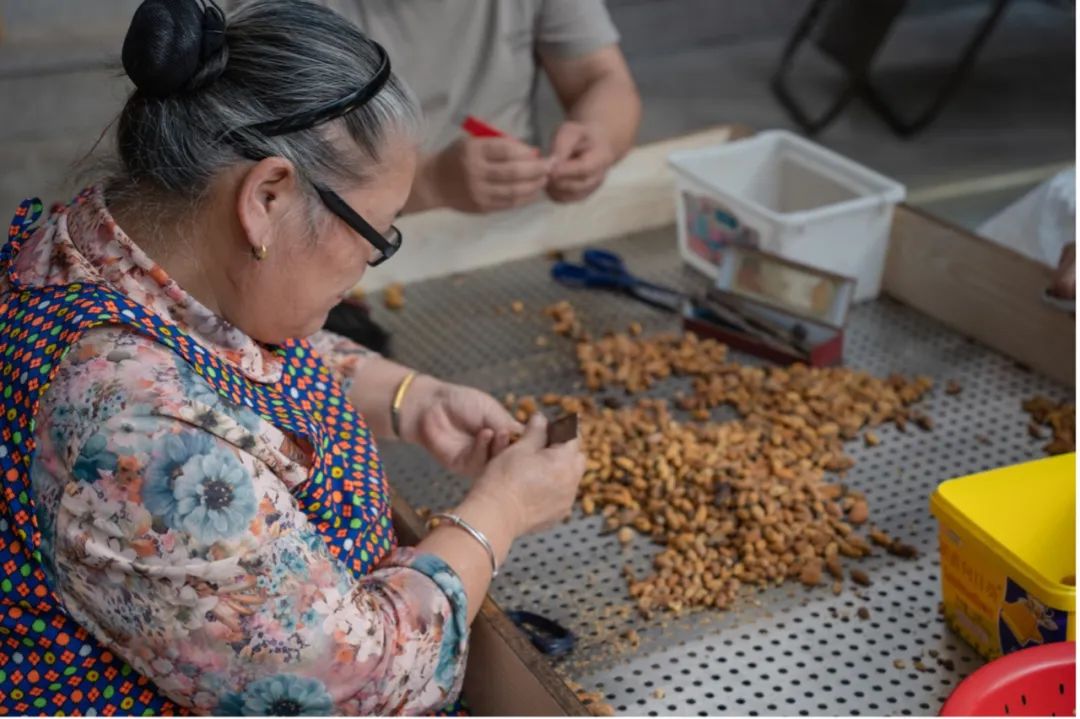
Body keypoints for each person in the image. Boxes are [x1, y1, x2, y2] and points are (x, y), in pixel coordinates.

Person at [0, 0, 584, 715]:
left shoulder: (106, 242)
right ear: (267, 198)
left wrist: (411, 398)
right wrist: (501, 510)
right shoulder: (145, 440)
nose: (371, 260)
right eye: (379, 233)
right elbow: (359, 685)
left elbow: (227, 356)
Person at [321, 0, 643, 214]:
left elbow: (602, 78)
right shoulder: (298, 11)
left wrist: (598, 137)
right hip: (370, 236)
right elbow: (300, 175)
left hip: (512, 220)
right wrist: (431, 182)